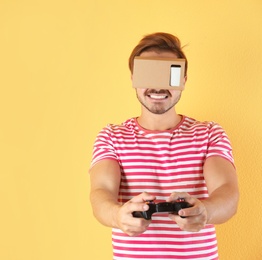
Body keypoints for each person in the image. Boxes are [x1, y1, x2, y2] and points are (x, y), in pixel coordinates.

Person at [89, 32, 239, 260]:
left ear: (184, 81)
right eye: (148, 74)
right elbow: (100, 193)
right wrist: (117, 215)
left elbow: (227, 193)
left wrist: (206, 211)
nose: (157, 87)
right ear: (133, 79)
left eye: (169, 74)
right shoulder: (111, 136)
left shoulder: (210, 133)